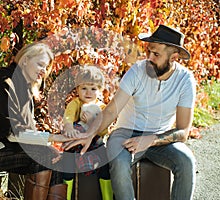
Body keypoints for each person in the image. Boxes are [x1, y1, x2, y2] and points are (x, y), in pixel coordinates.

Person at [64, 25, 197, 200]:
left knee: (186, 161)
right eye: (149, 51)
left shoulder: (185, 80)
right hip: (125, 134)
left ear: (173, 58)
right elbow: (111, 110)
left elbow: (182, 131)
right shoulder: (137, 71)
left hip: (159, 137)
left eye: (156, 55)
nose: (149, 58)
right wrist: (90, 133)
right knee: (119, 163)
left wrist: (151, 140)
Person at [0, 43, 76, 200]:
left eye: (46, 67)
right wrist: (55, 137)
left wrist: (48, 144)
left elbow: (22, 134)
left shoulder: (21, 85)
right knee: (44, 158)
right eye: (40, 64)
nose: (43, 71)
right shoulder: (4, 82)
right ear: (25, 60)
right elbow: (13, 133)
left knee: (53, 157)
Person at [62, 66, 113, 200]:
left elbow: (103, 130)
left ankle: (107, 196)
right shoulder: (75, 103)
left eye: (93, 88)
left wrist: (92, 121)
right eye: (84, 88)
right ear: (77, 89)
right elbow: (68, 117)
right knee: (67, 156)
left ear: (100, 90)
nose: (88, 92)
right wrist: (69, 127)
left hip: (95, 141)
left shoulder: (102, 107)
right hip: (77, 139)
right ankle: (66, 194)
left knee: (104, 158)